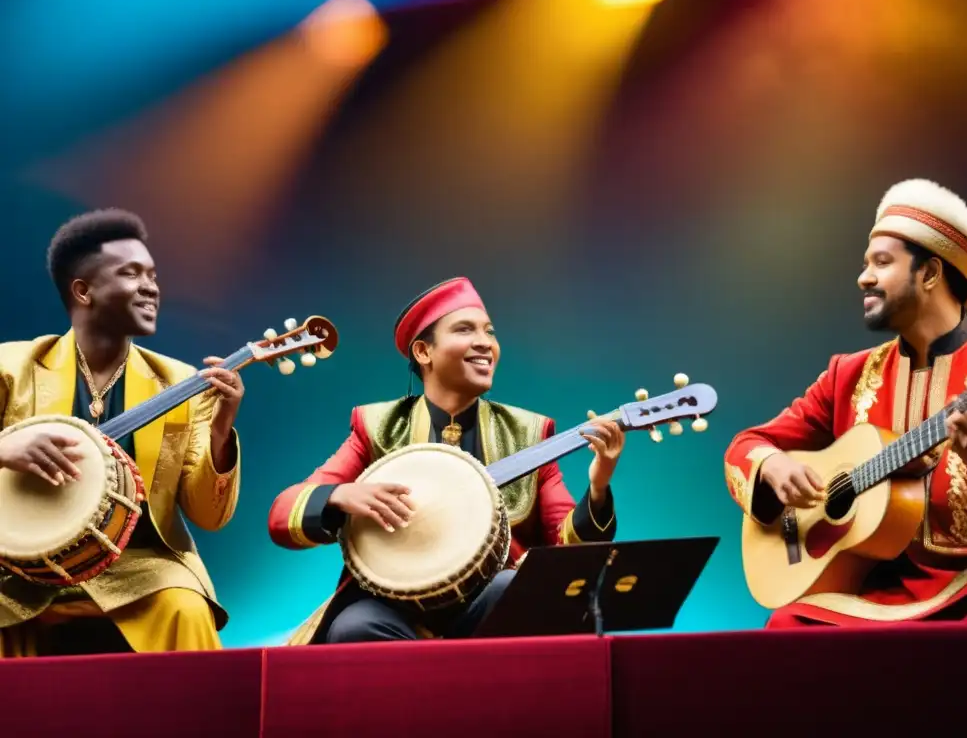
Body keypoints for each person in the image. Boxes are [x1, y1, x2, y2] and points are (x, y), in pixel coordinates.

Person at [725, 178, 967, 626]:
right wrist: (773, 467)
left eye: (882, 263)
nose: (864, 277)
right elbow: (747, 445)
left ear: (930, 273)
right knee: (787, 625)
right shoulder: (848, 374)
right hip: (871, 591)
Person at [270, 277, 624, 644]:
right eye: (464, 330)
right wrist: (339, 496)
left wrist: (598, 487)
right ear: (423, 352)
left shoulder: (530, 434)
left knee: (513, 589)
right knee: (353, 628)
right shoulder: (376, 428)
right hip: (393, 610)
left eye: (489, 332)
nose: (485, 342)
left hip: (488, 605)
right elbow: (281, 516)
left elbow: (567, 550)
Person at [0, 208, 244, 656]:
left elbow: (208, 515)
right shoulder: (12, 367)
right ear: (83, 290)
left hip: (137, 568)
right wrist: (4, 448)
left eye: (152, 274)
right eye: (131, 273)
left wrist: (221, 430)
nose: (150, 286)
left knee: (183, 607)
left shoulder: (180, 382)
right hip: (19, 569)